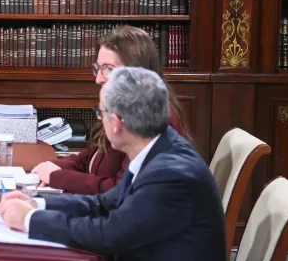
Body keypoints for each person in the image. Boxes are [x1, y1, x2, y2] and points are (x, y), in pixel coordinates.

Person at [0, 67, 239, 261]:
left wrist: (28, 221)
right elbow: (104, 204)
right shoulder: (157, 148)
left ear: (116, 122)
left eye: (100, 113)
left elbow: (109, 234)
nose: (100, 120)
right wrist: (37, 205)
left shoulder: (171, 174)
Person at [31, 25, 189, 194]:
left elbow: (119, 191)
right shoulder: (122, 107)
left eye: (109, 69)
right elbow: (89, 160)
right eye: (99, 68)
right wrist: (50, 167)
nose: (99, 79)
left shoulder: (155, 121)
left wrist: (58, 177)